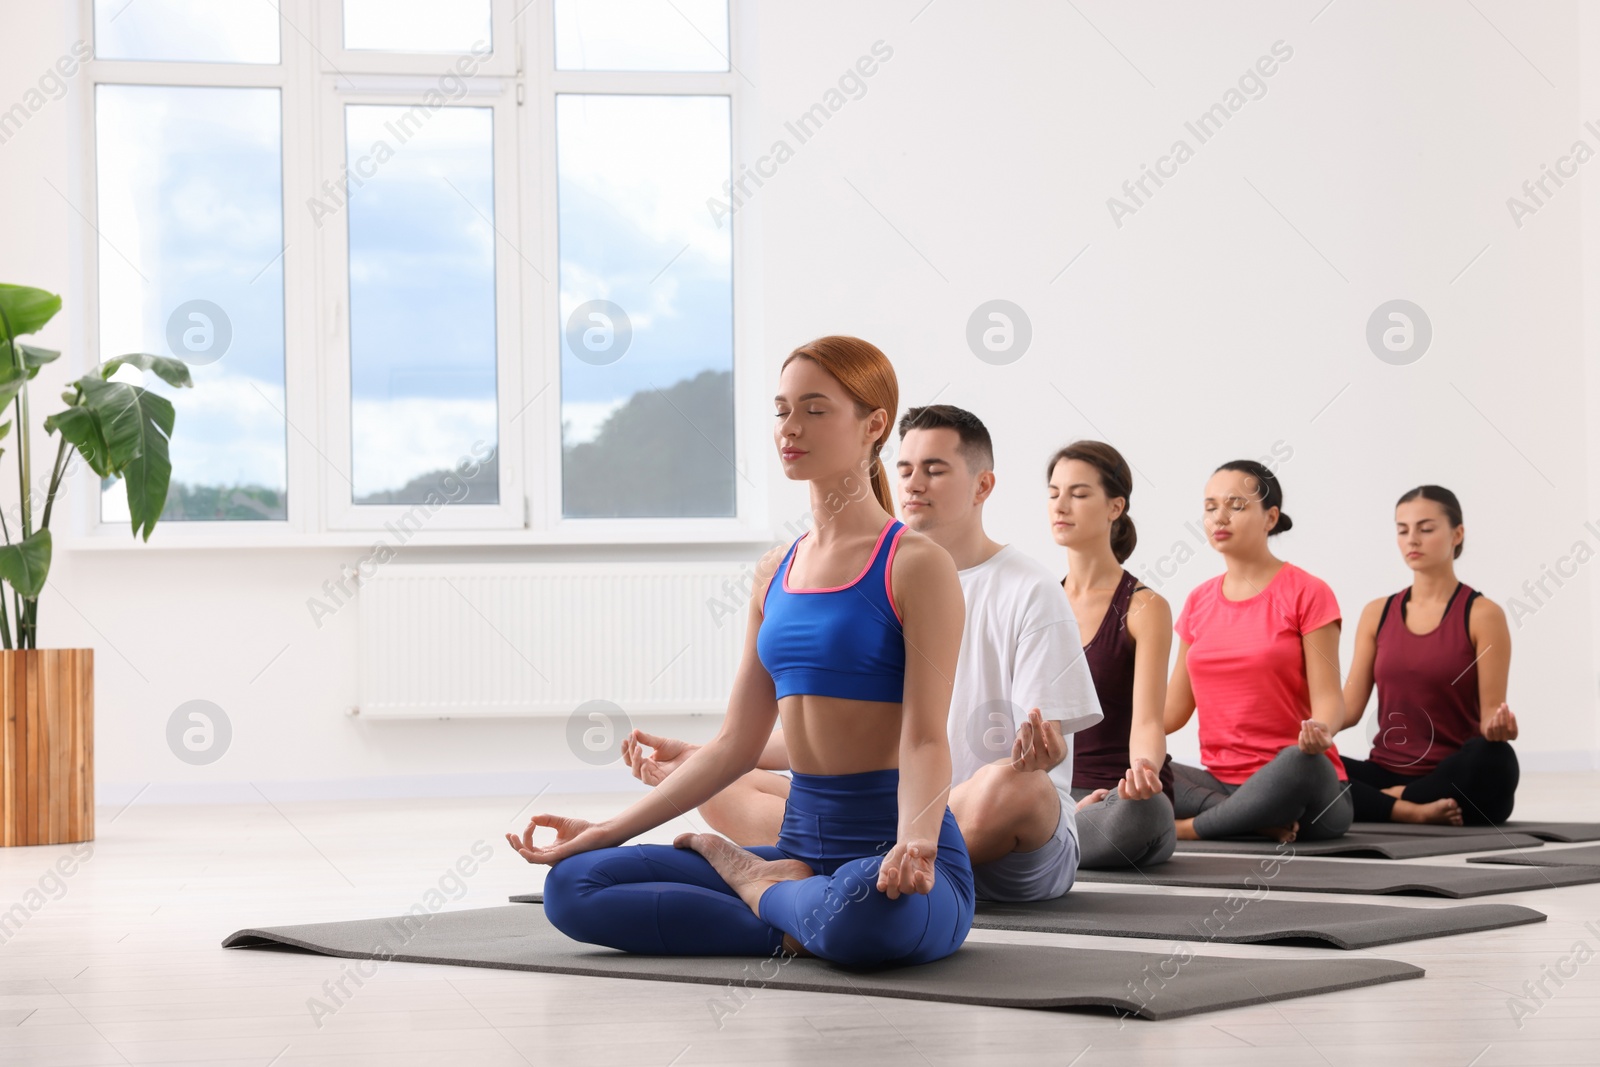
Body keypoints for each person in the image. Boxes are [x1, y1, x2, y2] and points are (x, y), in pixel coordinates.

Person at [506, 336, 973, 967]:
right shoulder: (773, 571)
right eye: (781, 410)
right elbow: (736, 744)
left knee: (867, 906)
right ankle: (790, 908)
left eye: (814, 409)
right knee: (573, 886)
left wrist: (914, 845)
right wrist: (604, 831)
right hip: (798, 846)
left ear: (874, 424)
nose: (790, 428)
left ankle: (755, 886)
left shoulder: (916, 565)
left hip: (896, 860)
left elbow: (923, 738)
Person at [623, 404, 1105, 902]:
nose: (915, 484)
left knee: (1013, 787)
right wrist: (705, 757)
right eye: (905, 469)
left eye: (935, 470)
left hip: (986, 829)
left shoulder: (1032, 589)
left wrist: (1043, 752)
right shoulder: (880, 575)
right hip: (885, 816)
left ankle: (854, 869)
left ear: (983, 487)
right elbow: (841, 740)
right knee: (727, 785)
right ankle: (861, 871)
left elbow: (1043, 750)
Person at [1164, 460, 1353, 843]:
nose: (1220, 516)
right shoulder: (1198, 601)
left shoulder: (1308, 592)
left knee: (1302, 763)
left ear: (1270, 518)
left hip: (1297, 785)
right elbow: (1172, 712)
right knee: (1139, 761)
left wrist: (1321, 731)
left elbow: (1331, 702)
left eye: (1236, 505)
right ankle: (1247, 820)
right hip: (1219, 783)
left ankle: (1189, 829)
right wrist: (1112, 729)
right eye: (1210, 506)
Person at [1340, 485, 1519, 825]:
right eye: (1402, 530)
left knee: (1495, 757)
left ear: (1457, 533)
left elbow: (1490, 716)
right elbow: (1349, 708)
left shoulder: (1483, 614)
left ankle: (1383, 804)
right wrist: (1306, 729)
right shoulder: (1376, 612)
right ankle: (1410, 808)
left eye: (1425, 529)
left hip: (1454, 773)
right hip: (1384, 771)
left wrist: (1500, 728)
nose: (1412, 540)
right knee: (1300, 763)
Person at [1048, 440, 1177, 868]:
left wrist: (1142, 771)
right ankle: (1056, 833)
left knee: (1147, 811)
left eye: (1079, 494)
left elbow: (1148, 721)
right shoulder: (1039, 601)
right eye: (1053, 493)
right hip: (1053, 796)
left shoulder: (1144, 606)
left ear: (1114, 507)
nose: (1061, 505)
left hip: (1118, 800)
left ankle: (1048, 844)